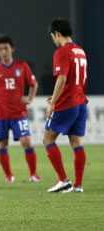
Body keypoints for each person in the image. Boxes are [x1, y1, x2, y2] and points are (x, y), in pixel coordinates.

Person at [0, 34, 40, 183]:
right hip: (1, 114)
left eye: (6, 48)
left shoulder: (22, 66)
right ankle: (9, 176)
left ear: (12, 49)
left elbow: (34, 84)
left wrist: (30, 99)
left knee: (26, 142)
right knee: (2, 144)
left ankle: (33, 174)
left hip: (19, 112)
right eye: (0, 49)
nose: (3, 52)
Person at [44, 18, 88, 193]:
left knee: (48, 139)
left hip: (67, 102)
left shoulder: (62, 52)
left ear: (57, 34)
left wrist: (53, 103)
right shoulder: (80, 51)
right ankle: (78, 185)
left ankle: (63, 179)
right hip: (80, 101)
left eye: (53, 37)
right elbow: (76, 80)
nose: (54, 41)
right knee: (76, 142)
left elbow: (62, 78)